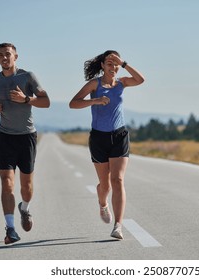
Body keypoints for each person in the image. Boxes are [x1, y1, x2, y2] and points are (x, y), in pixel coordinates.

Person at [69, 50, 145, 239]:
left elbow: (141, 79)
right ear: (102, 65)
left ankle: (118, 226)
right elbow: (73, 103)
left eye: (116, 64)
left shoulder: (122, 83)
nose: (113, 67)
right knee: (105, 184)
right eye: (109, 63)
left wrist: (125, 63)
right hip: (99, 138)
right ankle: (103, 204)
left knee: (117, 180)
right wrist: (94, 100)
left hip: (119, 135)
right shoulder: (94, 84)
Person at [0, 43, 50, 244]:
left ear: (16, 56)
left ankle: (25, 208)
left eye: (8, 54)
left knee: (27, 186)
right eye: (0, 55)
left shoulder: (27, 77)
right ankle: (10, 228)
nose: (4, 58)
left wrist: (26, 99)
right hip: (5, 137)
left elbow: (46, 101)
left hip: (26, 137)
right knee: (6, 182)